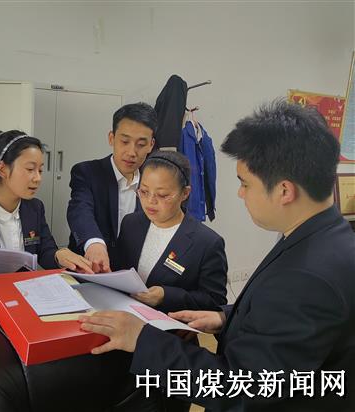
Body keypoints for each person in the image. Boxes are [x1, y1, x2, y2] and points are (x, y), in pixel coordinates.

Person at [80, 100, 355, 411]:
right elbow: (285, 321)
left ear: (284, 191)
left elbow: (241, 391)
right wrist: (227, 317)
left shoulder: (307, 276)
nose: (240, 193)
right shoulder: (325, 238)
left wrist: (142, 339)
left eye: (245, 184)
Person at [0, 130, 93, 343]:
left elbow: (45, 250)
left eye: (40, 170)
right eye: (30, 169)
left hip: (25, 314)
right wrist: (10, 289)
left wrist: (60, 255)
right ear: (3, 169)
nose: (37, 178)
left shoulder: (34, 208)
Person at [117, 150, 227, 314]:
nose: (150, 201)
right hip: (124, 315)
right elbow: (117, 270)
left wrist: (166, 296)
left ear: (185, 193)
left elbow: (215, 302)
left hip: (169, 326)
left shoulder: (207, 243)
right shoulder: (131, 223)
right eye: (144, 192)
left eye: (162, 195)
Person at [67, 102, 156, 273]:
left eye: (141, 144)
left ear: (151, 145)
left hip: (134, 275)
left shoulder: (155, 182)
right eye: (125, 141)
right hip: (90, 270)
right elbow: (80, 210)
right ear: (111, 138)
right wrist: (94, 244)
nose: (131, 152)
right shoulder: (87, 172)